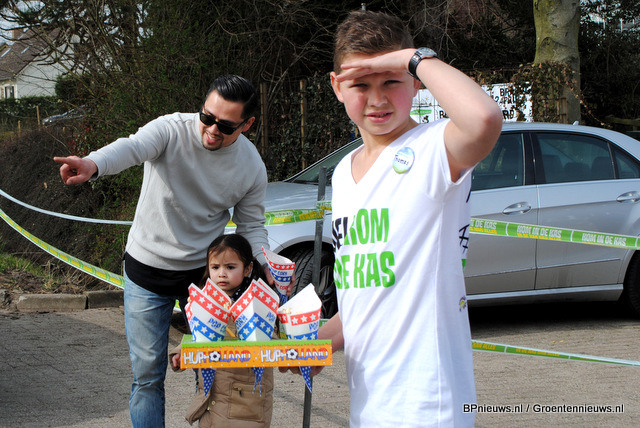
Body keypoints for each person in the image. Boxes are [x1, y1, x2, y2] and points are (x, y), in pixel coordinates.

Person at [289, 10, 502, 427]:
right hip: (370, 405)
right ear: (336, 86)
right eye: (360, 84)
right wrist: (313, 345)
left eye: (391, 81)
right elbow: (366, 297)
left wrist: (414, 58)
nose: (377, 99)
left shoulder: (433, 148)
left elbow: (484, 119)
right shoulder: (343, 172)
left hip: (428, 405)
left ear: (415, 81)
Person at [54, 75, 272, 428]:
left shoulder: (251, 167)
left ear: (246, 124)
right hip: (147, 268)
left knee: (213, 369)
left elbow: (251, 226)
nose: (212, 129)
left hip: (204, 280)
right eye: (207, 117)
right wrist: (93, 164)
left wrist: (265, 263)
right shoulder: (171, 129)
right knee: (147, 377)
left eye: (226, 125)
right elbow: (131, 147)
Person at [170, 233, 276, 427]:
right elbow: (198, 336)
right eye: (215, 267)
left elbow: (272, 337)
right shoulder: (205, 301)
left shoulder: (257, 301)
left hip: (246, 400)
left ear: (247, 268)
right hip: (212, 397)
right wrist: (182, 352)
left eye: (230, 267)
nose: (222, 273)